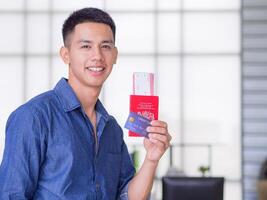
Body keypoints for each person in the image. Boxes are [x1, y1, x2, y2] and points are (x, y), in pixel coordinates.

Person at [0, 7, 171, 200]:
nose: (97, 56)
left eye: (105, 46)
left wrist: (151, 158)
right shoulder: (33, 117)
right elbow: (11, 195)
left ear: (115, 55)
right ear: (66, 55)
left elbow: (127, 196)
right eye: (86, 46)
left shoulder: (112, 129)